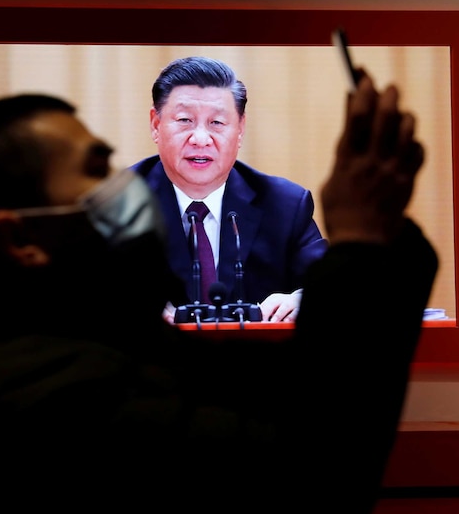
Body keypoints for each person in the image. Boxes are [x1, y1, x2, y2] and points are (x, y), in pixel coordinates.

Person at [0, 69, 436, 514]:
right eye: (97, 171)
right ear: (19, 240)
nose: (124, 190)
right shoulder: (48, 402)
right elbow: (318, 476)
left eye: (217, 122)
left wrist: (372, 243)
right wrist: (363, 240)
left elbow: (289, 396)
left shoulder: (108, 341)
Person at [130, 56, 329, 323]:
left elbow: (336, 287)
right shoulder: (117, 204)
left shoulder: (285, 205)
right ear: (156, 125)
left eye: (217, 123)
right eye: (185, 120)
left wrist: (302, 299)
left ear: (240, 129)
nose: (200, 139)